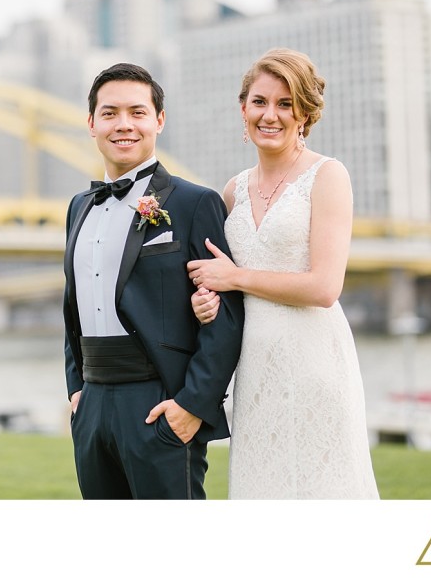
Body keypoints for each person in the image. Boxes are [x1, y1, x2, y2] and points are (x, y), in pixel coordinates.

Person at [187, 48, 379, 499]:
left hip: (315, 363)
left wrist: (235, 278)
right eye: (259, 102)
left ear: (305, 113)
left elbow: (324, 287)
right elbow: (222, 283)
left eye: (285, 103)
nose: (269, 115)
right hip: (253, 370)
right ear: (243, 109)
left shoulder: (328, 176)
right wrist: (207, 302)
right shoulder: (233, 190)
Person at [63, 62, 245, 499]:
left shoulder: (194, 203)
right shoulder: (77, 206)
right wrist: (76, 391)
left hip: (160, 401)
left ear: (158, 120)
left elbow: (227, 317)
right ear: (91, 123)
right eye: (109, 113)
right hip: (92, 403)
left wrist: (192, 406)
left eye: (137, 112)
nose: (123, 124)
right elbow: (75, 302)